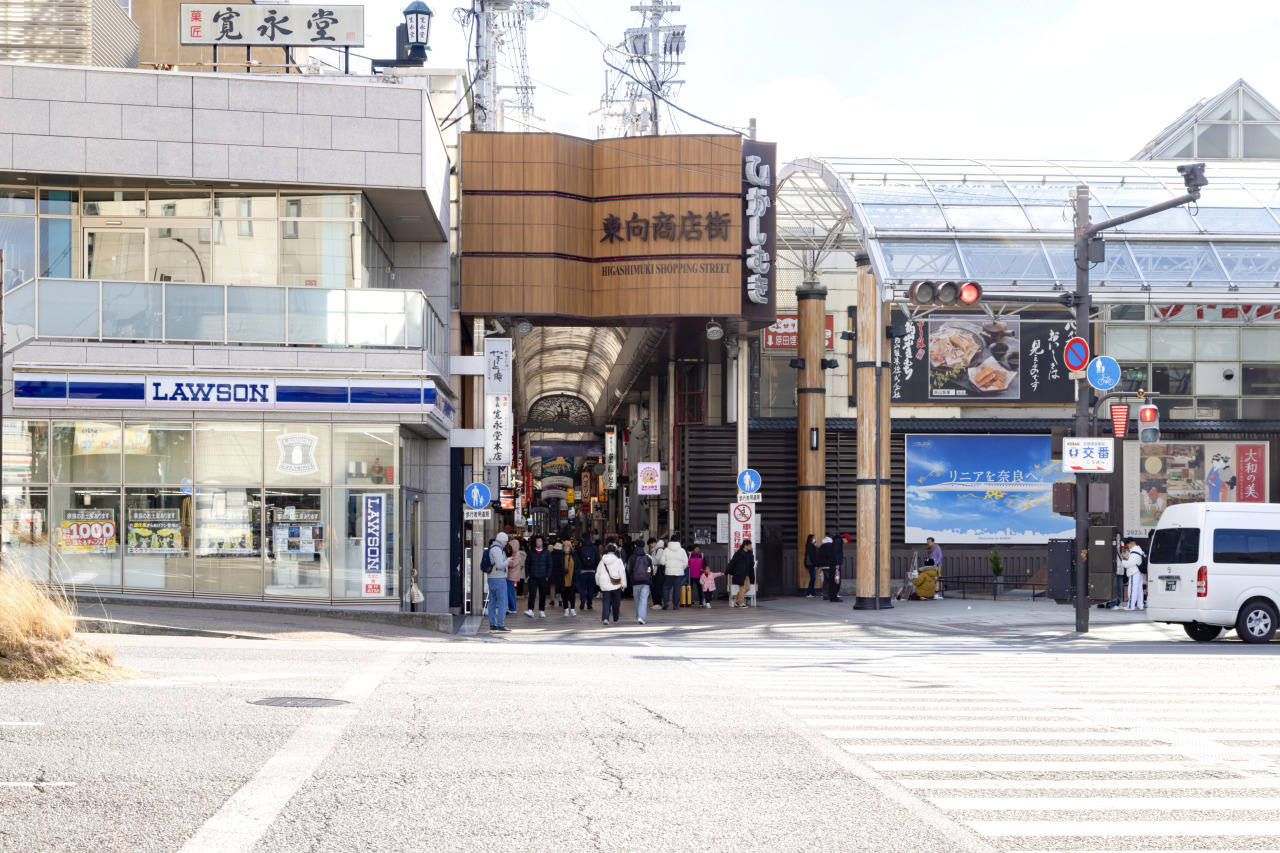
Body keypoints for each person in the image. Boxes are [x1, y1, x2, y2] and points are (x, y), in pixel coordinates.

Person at [596, 543, 627, 625]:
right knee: (616, 602)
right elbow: (622, 573)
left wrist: (598, 583)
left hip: (605, 584)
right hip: (616, 584)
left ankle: (606, 618)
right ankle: (615, 619)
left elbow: (598, 573)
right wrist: (623, 585)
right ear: (615, 550)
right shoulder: (619, 561)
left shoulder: (602, 560)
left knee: (606, 602)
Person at [486, 533, 511, 633]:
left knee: (492, 602)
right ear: (501, 540)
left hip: (492, 578)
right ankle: (500, 625)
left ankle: (493, 624)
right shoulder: (497, 549)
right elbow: (500, 565)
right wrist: (508, 561)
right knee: (502, 602)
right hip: (499, 578)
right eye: (505, 541)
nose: (506, 543)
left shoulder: (493, 548)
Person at [524, 535, 553, 618]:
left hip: (543, 576)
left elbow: (550, 565)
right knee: (532, 594)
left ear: (542, 542)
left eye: (539, 541)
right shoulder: (531, 552)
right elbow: (527, 564)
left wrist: (547, 576)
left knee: (542, 594)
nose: (538, 542)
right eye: (537, 541)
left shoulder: (547, 553)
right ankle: (530, 610)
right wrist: (527, 575)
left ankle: (541, 610)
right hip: (532, 576)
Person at [628, 541, 654, 624]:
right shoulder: (648, 557)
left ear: (635, 546)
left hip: (635, 581)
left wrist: (632, 575)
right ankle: (641, 617)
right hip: (646, 582)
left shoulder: (632, 557)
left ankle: (638, 616)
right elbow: (650, 568)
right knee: (643, 600)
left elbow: (629, 570)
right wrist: (648, 573)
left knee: (637, 600)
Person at [663, 535, 689, 611]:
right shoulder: (682, 550)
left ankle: (666, 602)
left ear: (670, 541)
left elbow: (662, 561)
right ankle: (675, 605)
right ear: (678, 541)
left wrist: (667, 565)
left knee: (666, 587)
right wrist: (681, 567)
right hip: (679, 573)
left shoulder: (666, 550)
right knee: (677, 588)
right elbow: (685, 562)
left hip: (668, 572)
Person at [727, 541, 756, 607]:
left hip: (747, 574)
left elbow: (750, 563)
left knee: (748, 588)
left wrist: (753, 564)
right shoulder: (738, 554)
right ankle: (741, 603)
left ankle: (735, 597)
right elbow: (732, 563)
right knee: (742, 589)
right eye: (749, 545)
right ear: (745, 546)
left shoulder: (750, 553)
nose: (751, 547)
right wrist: (727, 571)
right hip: (740, 573)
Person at [555, 539, 579, 616]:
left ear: (570, 547)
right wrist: (562, 571)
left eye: (567, 546)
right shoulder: (560, 556)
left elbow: (578, 566)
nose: (566, 548)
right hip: (563, 578)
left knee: (572, 594)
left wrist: (576, 573)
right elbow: (557, 567)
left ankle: (572, 608)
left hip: (572, 578)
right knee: (564, 594)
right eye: (564, 546)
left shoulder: (574, 556)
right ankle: (566, 609)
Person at [817, 535, 842, 603]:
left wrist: (819, 564)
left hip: (823, 566)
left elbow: (819, 556)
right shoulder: (831, 545)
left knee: (826, 580)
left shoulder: (822, 545)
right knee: (831, 581)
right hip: (829, 565)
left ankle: (825, 594)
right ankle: (832, 595)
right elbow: (832, 555)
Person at [1123, 538, 1146, 611]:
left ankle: (1131, 606)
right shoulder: (1140, 550)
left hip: (1134, 571)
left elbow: (1129, 564)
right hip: (1139, 572)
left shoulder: (1134, 552)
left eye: (1128, 545)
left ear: (1131, 544)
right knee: (1139, 589)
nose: (1128, 547)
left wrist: (1123, 561)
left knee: (1132, 589)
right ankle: (1140, 606)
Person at [578, 537, 600, 610]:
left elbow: (578, 560)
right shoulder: (595, 548)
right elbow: (598, 559)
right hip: (592, 571)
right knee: (591, 587)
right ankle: (589, 604)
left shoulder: (581, 549)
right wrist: (596, 569)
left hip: (583, 571)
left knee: (583, 587)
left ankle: (583, 597)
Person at [505, 536, 524, 615]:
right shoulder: (513, 554)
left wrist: (506, 561)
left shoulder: (516, 554)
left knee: (508, 592)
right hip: (511, 575)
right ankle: (513, 608)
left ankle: (512, 608)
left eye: (511, 546)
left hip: (512, 576)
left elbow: (512, 564)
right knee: (511, 592)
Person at [652, 539, 667, 607]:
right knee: (656, 587)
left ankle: (658, 603)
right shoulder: (657, 549)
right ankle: (656, 603)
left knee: (658, 588)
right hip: (656, 571)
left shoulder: (659, 550)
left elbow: (657, 560)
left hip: (658, 571)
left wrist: (651, 560)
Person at [803, 534, 819, 598]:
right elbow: (813, 556)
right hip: (812, 564)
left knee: (813, 578)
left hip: (811, 564)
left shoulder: (810, 546)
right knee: (813, 578)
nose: (814, 539)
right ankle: (808, 593)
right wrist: (816, 565)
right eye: (813, 538)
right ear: (810, 539)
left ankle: (812, 593)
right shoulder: (810, 546)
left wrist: (816, 546)